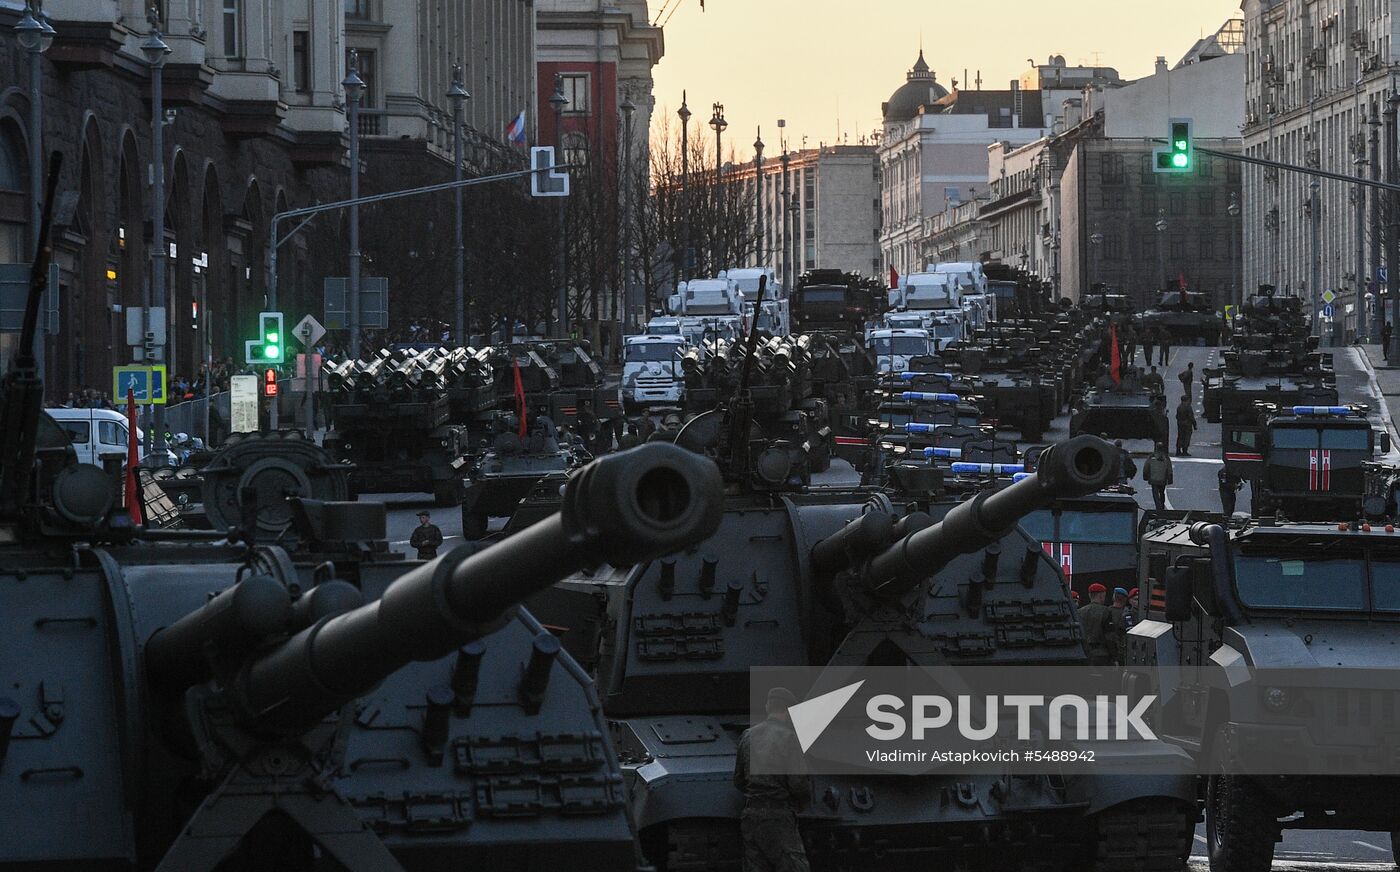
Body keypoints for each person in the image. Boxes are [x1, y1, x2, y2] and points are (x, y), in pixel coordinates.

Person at [734, 687, 812, 872]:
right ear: (789, 710)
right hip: (778, 816)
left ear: (768, 706)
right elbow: (798, 784)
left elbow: (738, 780)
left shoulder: (747, 736)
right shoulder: (789, 738)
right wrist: (803, 803)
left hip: (751, 814)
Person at [1078, 583, 1120, 666]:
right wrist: (1115, 657)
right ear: (1101, 595)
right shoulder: (1105, 611)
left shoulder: (1079, 612)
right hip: (1102, 655)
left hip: (1084, 653)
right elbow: (1110, 637)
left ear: (1090, 595)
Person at [1143, 444, 1173, 510]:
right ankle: (1161, 506)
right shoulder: (1166, 457)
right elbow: (1169, 469)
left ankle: (1158, 507)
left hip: (1153, 479)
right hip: (1163, 479)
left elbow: (1146, 467)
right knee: (1162, 493)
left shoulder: (1151, 457)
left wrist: (1145, 476)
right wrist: (1170, 478)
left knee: (1155, 494)